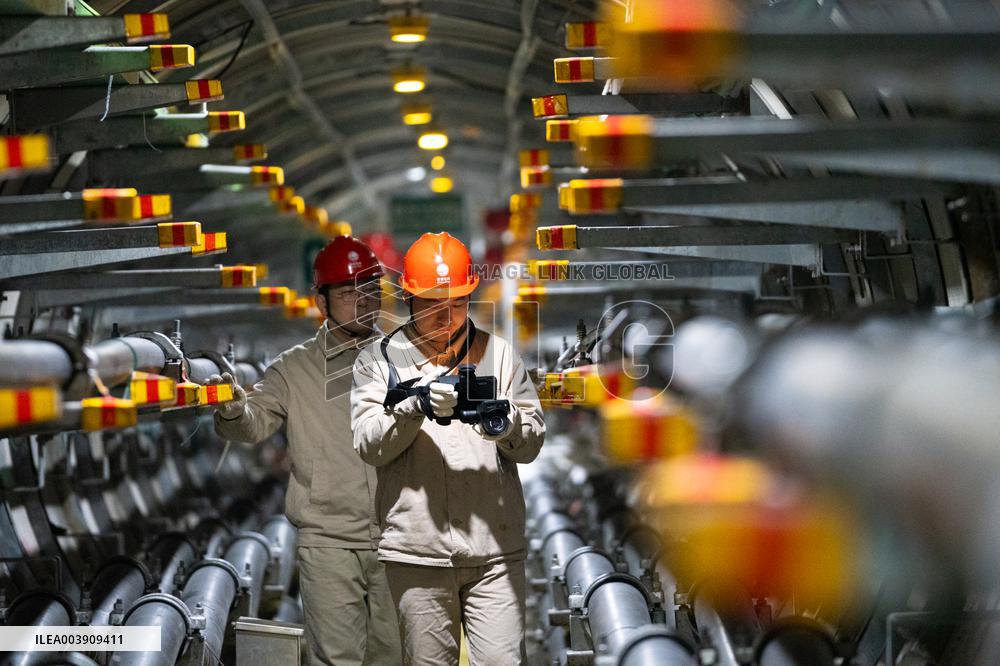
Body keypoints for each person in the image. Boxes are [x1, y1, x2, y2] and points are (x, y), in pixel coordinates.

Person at [350, 231, 545, 665]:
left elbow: (531, 442)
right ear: (409, 300)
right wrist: (413, 406)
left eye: (457, 304)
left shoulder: (499, 355)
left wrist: (507, 423)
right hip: (419, 553)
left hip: (494, 550)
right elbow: (368, 443)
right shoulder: (378, 361)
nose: (446, 316)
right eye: (433, 304)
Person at [207, 235, 401, 666]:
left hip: (400, 538)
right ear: (321, 301)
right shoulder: (294, 369)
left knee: (396, 657)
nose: (362, 302)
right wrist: (233, 409)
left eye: (370, 289)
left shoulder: (406, 361)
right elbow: (254, 422)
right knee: (337, 658)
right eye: (348, 293)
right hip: (329, 540)